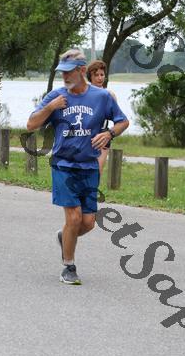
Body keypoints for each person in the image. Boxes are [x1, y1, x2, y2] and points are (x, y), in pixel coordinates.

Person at [27, 48, 129, 285]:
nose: (64, 76)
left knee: (88, 223)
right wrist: (51, 107)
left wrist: (109, 133)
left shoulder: (101, 97)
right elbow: (31, 124)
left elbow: (123, 121)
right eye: (62, 72)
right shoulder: (56, 96)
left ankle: (65, 236)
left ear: (82, 71)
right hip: (64, 164)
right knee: (73, 218)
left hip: (89, 166)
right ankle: (68, 267)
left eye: (68, 72)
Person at [86, 59, 118, 174]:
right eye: (96, 75)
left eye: (102, 74)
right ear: (90, 77)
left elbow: (117, 118)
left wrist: (110, 133)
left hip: (102, 136)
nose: (100, 78)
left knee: (97, 171)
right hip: (85, 136)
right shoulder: (84, 94)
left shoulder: (110, 95)